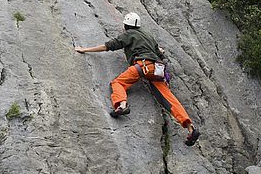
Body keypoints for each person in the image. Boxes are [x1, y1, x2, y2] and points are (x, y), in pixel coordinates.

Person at [75, 12, 200, 146]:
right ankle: (189, 127)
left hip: (142, 66)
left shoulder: (129, 34)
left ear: (126, 25)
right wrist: (159, 51)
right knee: (169, 99)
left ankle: (122, 105)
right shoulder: (148, 36)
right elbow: (159, 52)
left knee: (118, 83)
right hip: (157, 69)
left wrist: (85, 49)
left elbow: (108, 46)